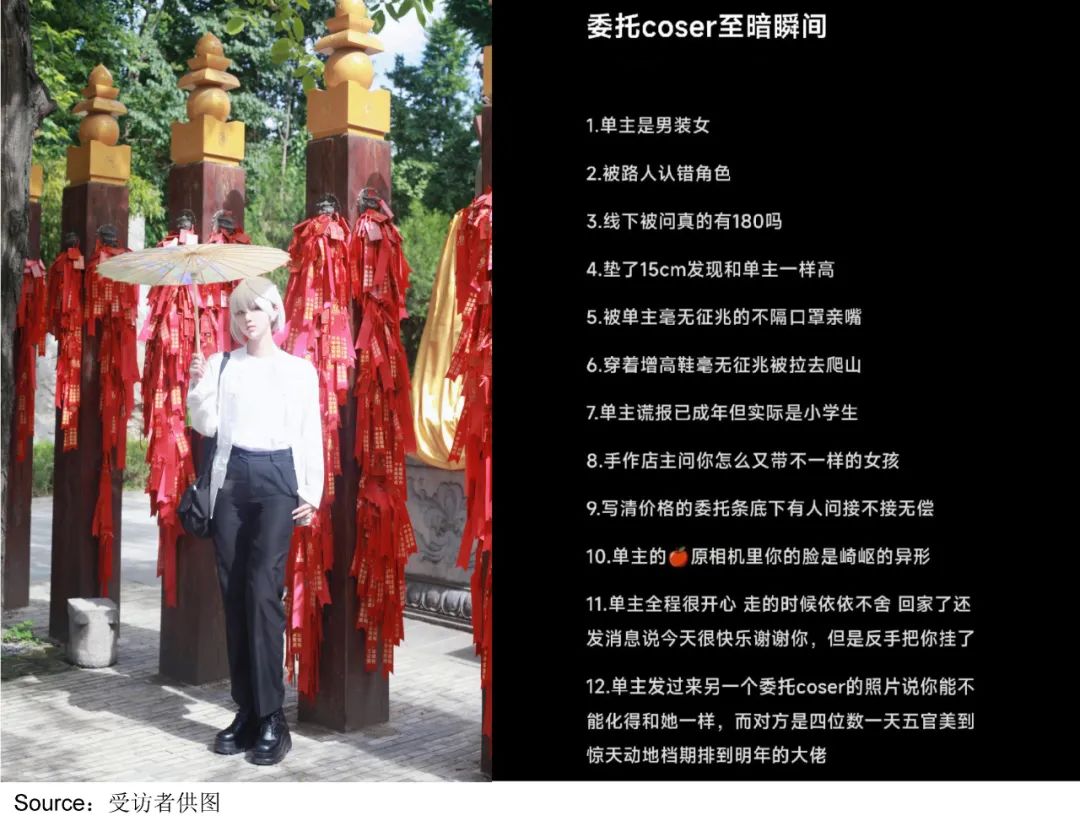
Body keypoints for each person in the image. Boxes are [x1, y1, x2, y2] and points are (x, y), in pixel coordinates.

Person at [187, 277, 323, 766]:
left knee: (264, 592)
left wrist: (312, 491)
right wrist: (198, 385)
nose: (248, 319)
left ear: (274, 313)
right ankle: (246, 711)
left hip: (278, 479)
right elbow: (205, 425)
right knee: (234, 595)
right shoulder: (222, 365)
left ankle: (272, 718)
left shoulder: (298, 370)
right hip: (232, 480)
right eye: (240, 311)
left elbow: (310, 430)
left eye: (256, 310)